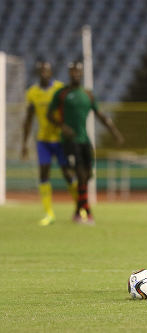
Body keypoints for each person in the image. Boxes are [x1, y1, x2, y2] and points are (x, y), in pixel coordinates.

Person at [47, 61, 124, 224]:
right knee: (80, 173)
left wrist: (115, 133)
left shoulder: (88, 95)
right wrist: (62, 126)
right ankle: (87, 212)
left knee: (87, 175)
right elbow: (49, 114)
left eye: (78, 71)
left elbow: (101, 115)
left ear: (82, 73)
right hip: (69, 140)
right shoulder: (62, 94)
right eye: (73, 71)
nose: (75, 74)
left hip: (84, 139)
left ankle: (77, 212)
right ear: (69, 73)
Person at [21, 61, 78, 226]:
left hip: (60, 140)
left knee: (68, 174)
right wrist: (24, 144)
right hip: (43, 141)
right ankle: (49, 213)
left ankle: (80, 208)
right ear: (38, 72)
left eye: (47, 70)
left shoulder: (60, 89)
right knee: (43, 175)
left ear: (51, 72)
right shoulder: (32, 92)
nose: (45, 73)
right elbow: (28, 119)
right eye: (42, 71)